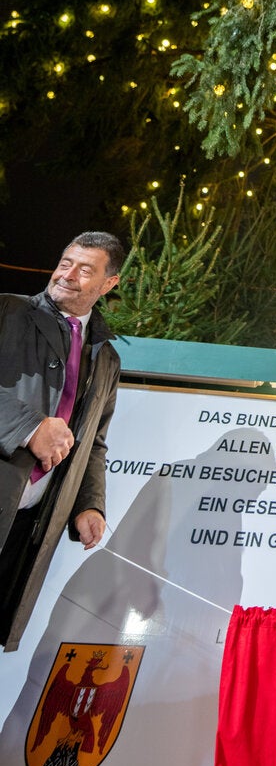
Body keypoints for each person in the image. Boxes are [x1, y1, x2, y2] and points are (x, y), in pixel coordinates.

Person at [0, 231, 124, 651]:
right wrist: (29, 427)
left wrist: (90, 502)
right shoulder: (6, 311)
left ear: (109, 284)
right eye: (66, 262)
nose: (67, 275)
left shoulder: (106, 358)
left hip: (26, 528)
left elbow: (94, 443)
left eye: (85, 269)